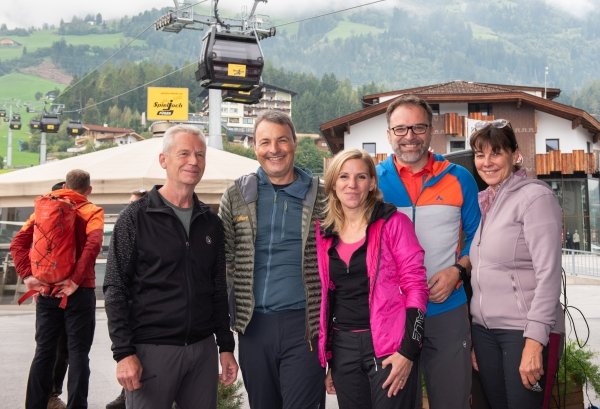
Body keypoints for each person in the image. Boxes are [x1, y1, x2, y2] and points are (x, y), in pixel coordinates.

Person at [104, 124, 238, 409]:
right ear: (164, 160)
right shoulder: (135, 218)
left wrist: (226, 346)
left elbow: (217, 289)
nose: (193, 161)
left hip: (202, 351)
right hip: (152, 351)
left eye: (200, 155)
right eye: (184, 153)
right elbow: (115, 287)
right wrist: (123, 353)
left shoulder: (210, 222)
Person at [376, 95, 481, 409]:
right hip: (391, 314)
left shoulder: (459, 178)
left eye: (418, 127)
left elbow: (479, 237)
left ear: (431, 130)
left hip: (445, 308)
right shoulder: (371, 180)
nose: (409, 136)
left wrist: (459, 270)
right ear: (389, 134)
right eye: (401, 129)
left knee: (452, 401)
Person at [219, 110, 326, 409]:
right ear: (254, 146)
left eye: (282, 140)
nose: (274, 149)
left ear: (294, 143)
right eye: (265, 141)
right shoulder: (237, 193)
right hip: (253, 327)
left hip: (304, 326)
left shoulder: (321, 194)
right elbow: (221, 260)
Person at [315, 149, 429, 409]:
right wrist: (332, 359)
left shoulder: (394, 223)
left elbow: (417, 287)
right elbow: (330, 296)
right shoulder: (324, 233)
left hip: (390, 346)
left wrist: (408, 351)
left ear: (372, 183)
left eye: (361, 177)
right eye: (343, 176)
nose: (352, 185)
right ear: (333, 183)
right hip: (344, 347)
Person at [468, 119, 564, 409]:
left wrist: (535, 340)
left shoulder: (535, 197)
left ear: (515, 155)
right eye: (479, 154)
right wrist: (477, 332)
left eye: (495, 153)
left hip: (523, 333)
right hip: (485, 333)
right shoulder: (488, 202)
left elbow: (548, 274)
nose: (486, 162)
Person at [10, 169, 104, 409]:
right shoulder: (92, 211)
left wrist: (28, 276)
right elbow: (93, 247)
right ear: (89, 190)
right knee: (79, 355)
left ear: (64, 184)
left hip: (46, 291)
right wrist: (74, 280)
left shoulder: (43, 209)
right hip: (79, 292)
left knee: (44, 352)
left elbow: (17, 243)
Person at [105, 187, 148, 409]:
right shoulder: (126, 227)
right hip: (130, 312)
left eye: (135, 204)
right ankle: (126, 394)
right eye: (129, 204)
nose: (129, 209)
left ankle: (126, 395)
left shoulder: (148, 227)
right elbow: (114, 284)